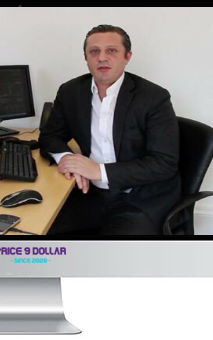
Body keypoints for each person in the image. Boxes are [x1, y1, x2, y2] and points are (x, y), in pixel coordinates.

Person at [39, 24, 181, 235]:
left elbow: (164, 163)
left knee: (111, 252)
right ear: (86, 57)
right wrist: (67, 159)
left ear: (127, 56)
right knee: (39, 229)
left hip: (141, 198)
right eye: (94, 51)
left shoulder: (154, 97)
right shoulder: (71, 91)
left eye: (112, 50)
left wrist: (99, 171)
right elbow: (50, 135)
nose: (102, 58)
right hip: (90, 193)